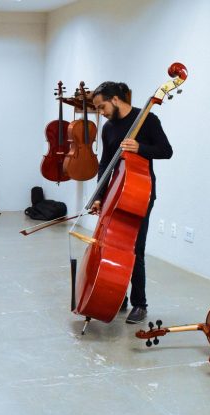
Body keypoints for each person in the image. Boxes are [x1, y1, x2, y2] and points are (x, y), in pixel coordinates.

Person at [90, 81, 173, 324]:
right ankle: (118, 296)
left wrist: (140, 147)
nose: (101, 112)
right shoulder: (108, 129)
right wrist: (98, 195)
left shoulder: (147, 119)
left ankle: (140, 304)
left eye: (101, 106)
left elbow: (166, 151)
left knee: (135, 248)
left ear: (115, 99)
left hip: (140, 193)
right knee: (113, 246)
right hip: (115, 192)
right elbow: (106, 163)